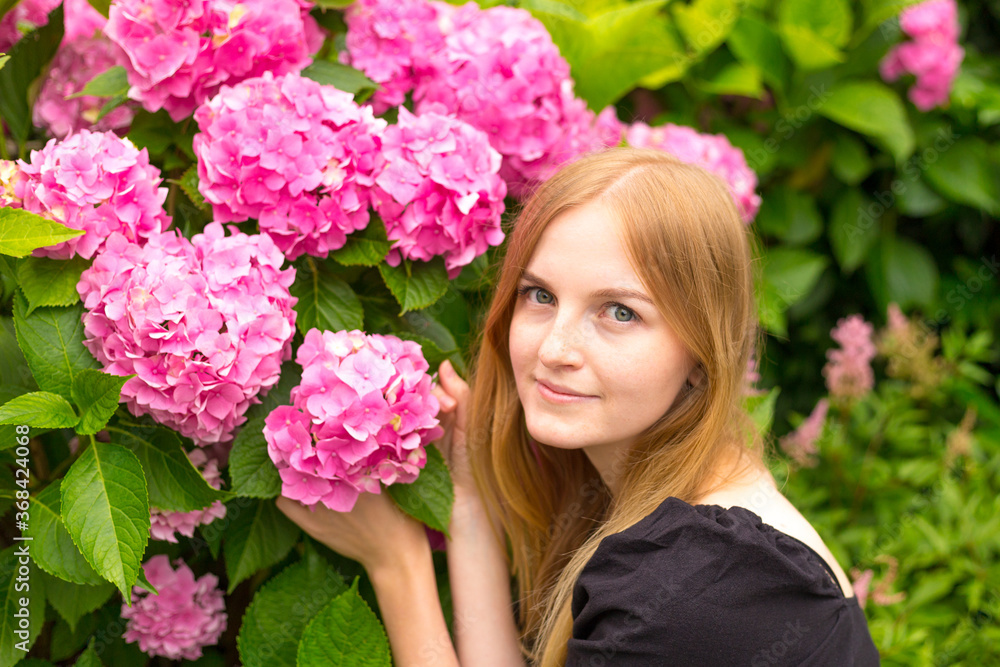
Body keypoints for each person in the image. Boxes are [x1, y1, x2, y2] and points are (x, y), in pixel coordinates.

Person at [276, 147, 881, 666]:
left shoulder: (695, 590)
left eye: (620, 312)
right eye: (539, 295)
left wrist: (398, 565)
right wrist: (466, 506)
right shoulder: (697, 516)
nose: (554, 349)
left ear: (701, 353)